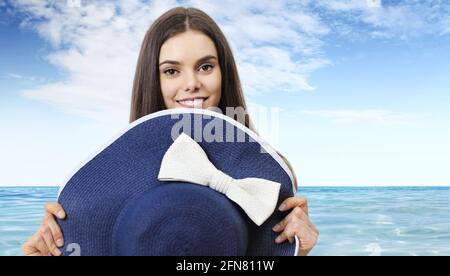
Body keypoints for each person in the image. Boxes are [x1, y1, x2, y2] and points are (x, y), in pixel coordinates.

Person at [22, 7, 318, 256]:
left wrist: (299, 251)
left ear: (223, 73)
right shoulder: (107, 175)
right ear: (153, 81)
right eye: (171, 71)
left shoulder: (270, 177)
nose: (191, 83)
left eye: (205, 67)